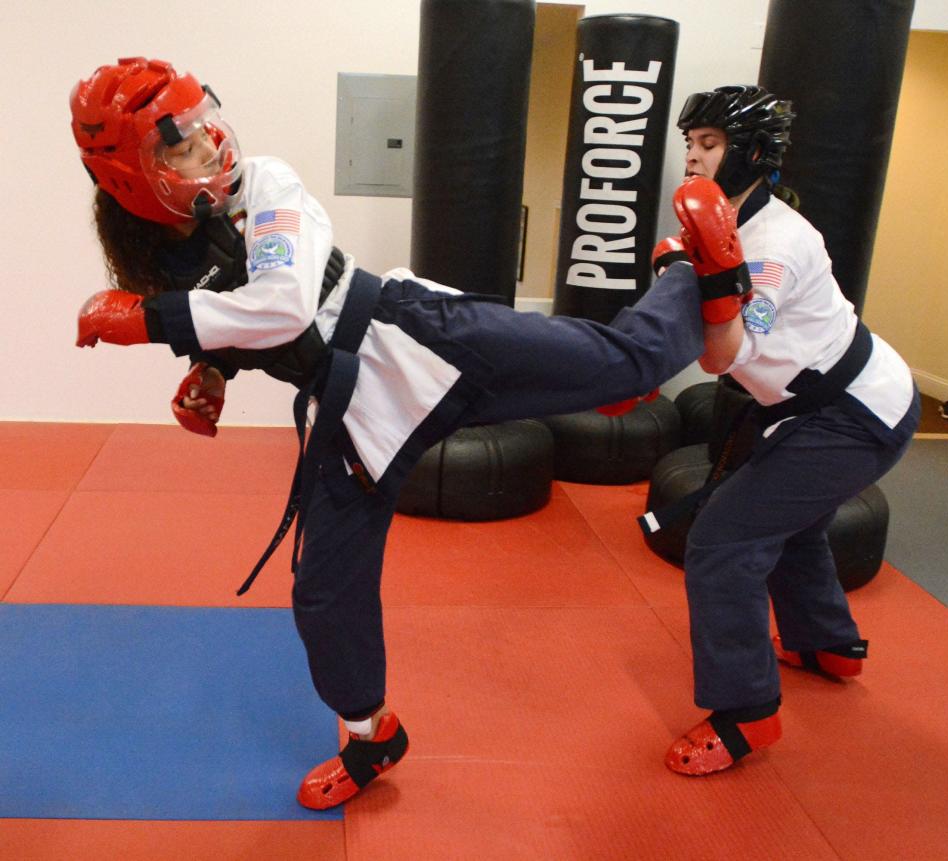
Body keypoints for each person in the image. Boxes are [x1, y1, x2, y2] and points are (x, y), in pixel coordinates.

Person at [70, 57, 729, 809]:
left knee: (621, 363)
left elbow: (284, 304)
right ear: (132, 176)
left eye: (202, 121)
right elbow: (238, 320)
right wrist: (212, 374)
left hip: (416, 338)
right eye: (182, 142)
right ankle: (371, 733)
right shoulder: (169, 253)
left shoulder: (268, 183)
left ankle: (687, 270)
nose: (212, 143)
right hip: (351, 415)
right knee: (322, 593)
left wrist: (146, 324)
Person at [650, 86, 919, 776]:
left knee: (723, 537)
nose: (693, 159)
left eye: (709, 145)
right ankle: (826, 644)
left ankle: (746, 715)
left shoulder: (776, 247)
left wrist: (690, 273)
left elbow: (724, 358)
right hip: (813, 407)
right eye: (690, 146)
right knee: (785, 520)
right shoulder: (726, 223)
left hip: (857, 413)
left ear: (753, 155)